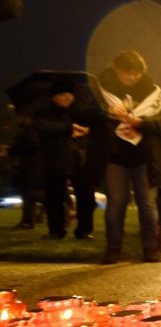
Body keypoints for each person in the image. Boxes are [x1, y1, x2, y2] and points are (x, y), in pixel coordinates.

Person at [95, 50, 161, 264]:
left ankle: (150, 248)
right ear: (117, 70)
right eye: (127, 73)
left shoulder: (154, 94)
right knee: (116, 202)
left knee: (147, 202)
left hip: (145, 156)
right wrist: (107, 114)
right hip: (115, 155)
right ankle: (113, 248)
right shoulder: (102, 91)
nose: (133, 77)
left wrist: (141, 123)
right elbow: (87, 114)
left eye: (137, 73)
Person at [32, 81, 94, 240]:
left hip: (79, 160)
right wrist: (69, 128)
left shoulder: (80, 112)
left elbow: (94, 128)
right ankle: (56, 230)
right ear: (53, 97)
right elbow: (43, 127)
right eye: (62, 94)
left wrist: (86, 131)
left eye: (69, 94)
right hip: (54, 160)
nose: (67, 97)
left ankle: (84, 231)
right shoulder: (43, 113)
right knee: (54, 198)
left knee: (86, 197)